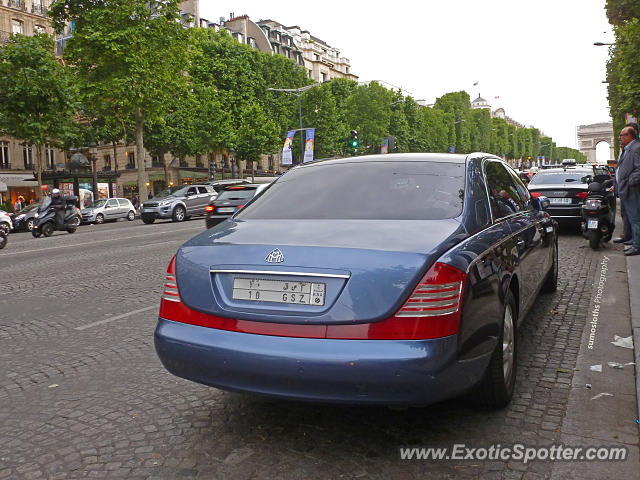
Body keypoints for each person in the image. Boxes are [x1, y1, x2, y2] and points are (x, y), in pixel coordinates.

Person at [616, 126, 640, 256]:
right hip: (627, 188)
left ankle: (637, 246)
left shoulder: (636, 148)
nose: (619, 137)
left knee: (636, 219)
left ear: (630, 136)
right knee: (632, 218)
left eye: (622, 135)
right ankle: (635, 241)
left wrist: (631, 182)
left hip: (632, 189)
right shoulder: (629, 148)